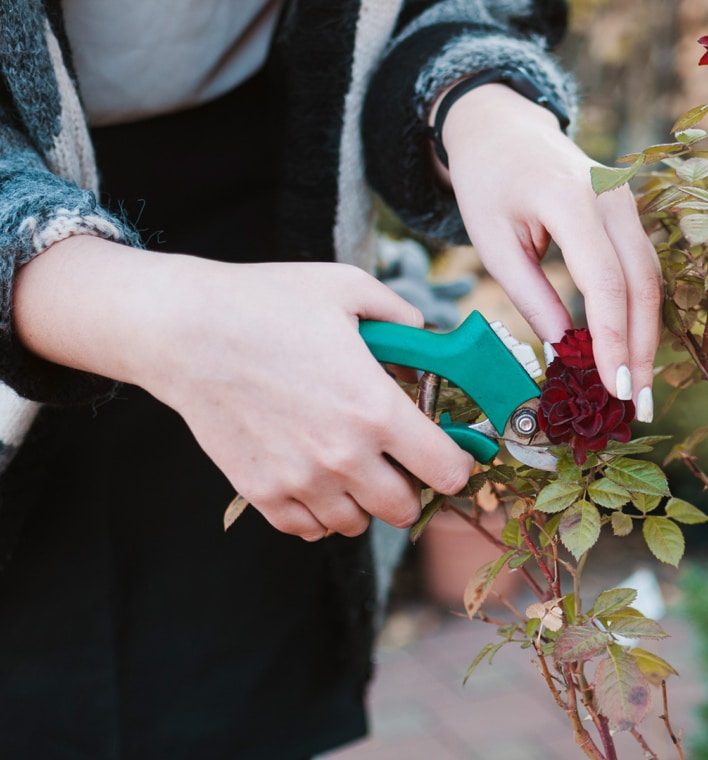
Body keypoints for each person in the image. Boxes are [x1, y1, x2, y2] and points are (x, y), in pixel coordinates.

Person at [0, 0, 661, 757]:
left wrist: (478, 102)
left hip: (283, 235)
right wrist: (152, 314)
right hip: (43, 279)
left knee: (245, 695)